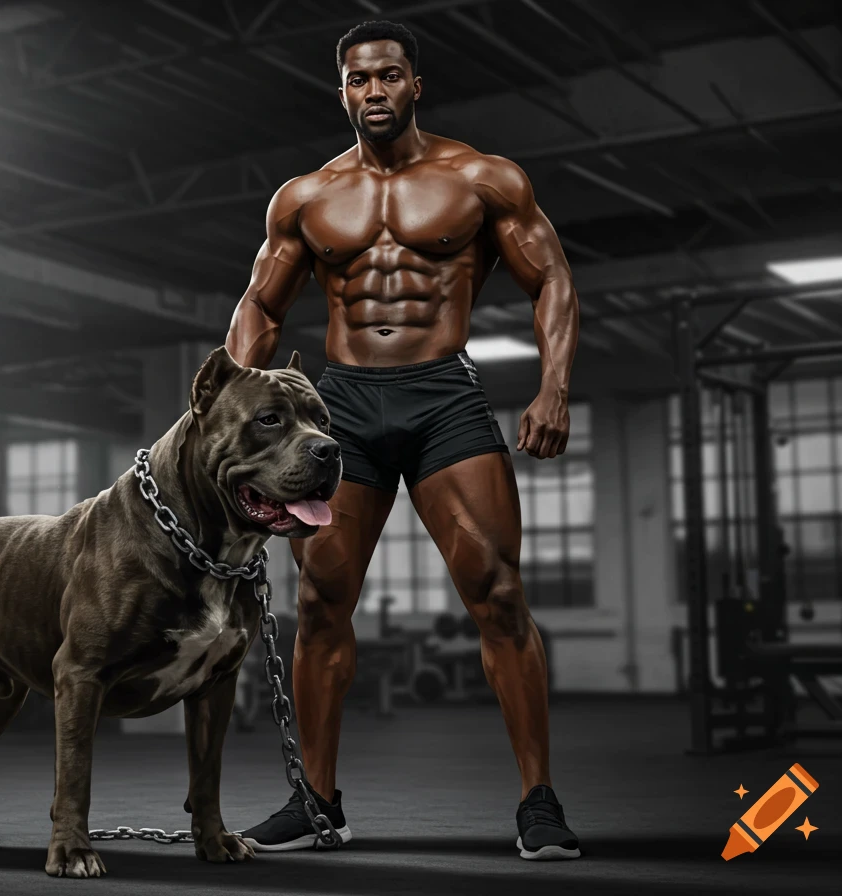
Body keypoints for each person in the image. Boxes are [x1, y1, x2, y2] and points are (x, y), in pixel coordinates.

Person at [226, 20, 581, 861]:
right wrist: (229, 411)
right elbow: (262, 307)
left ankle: (538, 802)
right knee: (319, 605)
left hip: (441, 398)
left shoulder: (481, 178)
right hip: (339, 405)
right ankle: (317, 803)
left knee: (497, 595)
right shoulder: (305, 196)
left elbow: (552, 278)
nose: (373, 91)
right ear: (342, 90)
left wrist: (554, 387)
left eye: (388, 76)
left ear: (414, 84)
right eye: (358, 80)